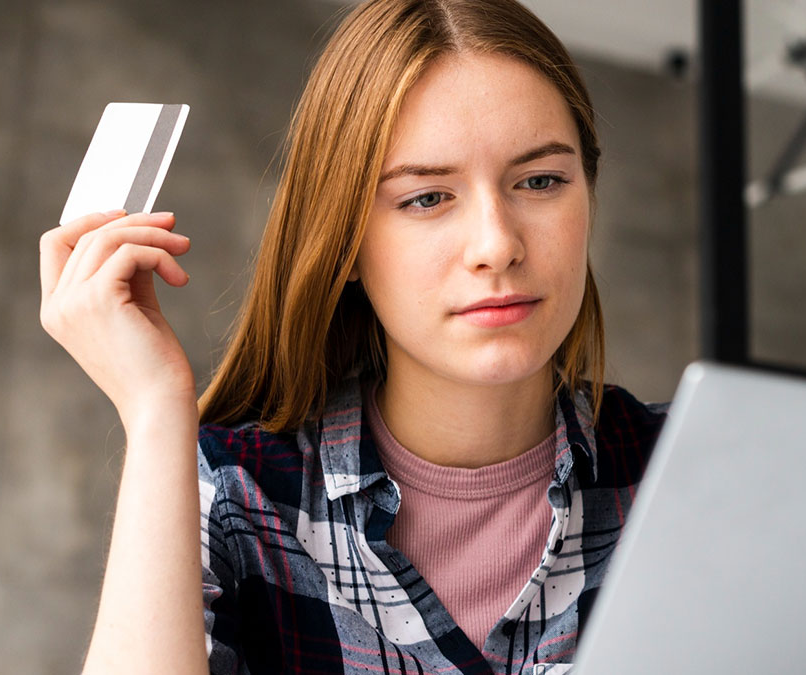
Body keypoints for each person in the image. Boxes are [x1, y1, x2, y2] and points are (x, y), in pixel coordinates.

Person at [39, 0, 667, 673]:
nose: (496, 244)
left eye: (540, 181)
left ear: (588, 195)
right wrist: (156, 410)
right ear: (345, 243)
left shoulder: (685, 476)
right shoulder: (235, 499)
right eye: (426, 197)